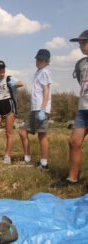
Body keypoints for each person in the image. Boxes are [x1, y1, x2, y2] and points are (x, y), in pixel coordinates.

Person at [51, 30, 88, 188]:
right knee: (74, 142)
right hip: (84, 108)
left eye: (83, 42)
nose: (80, 46)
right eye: (79, 43)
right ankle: (72, 179)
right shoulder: (81, 63)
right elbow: (81, 82)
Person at [19, 49, 52, 170]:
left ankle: (44, 164)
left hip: (41, 109)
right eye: (37, 59)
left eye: (42, 59)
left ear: (47, 61)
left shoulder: (45, 72)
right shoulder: (37, 72)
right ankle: (27, 158)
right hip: (34, 109)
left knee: (42, 135)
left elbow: (46, 91)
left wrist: (43, 109)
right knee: (22, 132)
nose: (39, 61)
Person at [0, 61, 23, 164]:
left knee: (8, 133)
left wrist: (15, 83)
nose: (1, 70)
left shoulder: (9, 78)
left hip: (8, 105)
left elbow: (20, 83)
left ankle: (7, 156)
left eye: (3, 68)